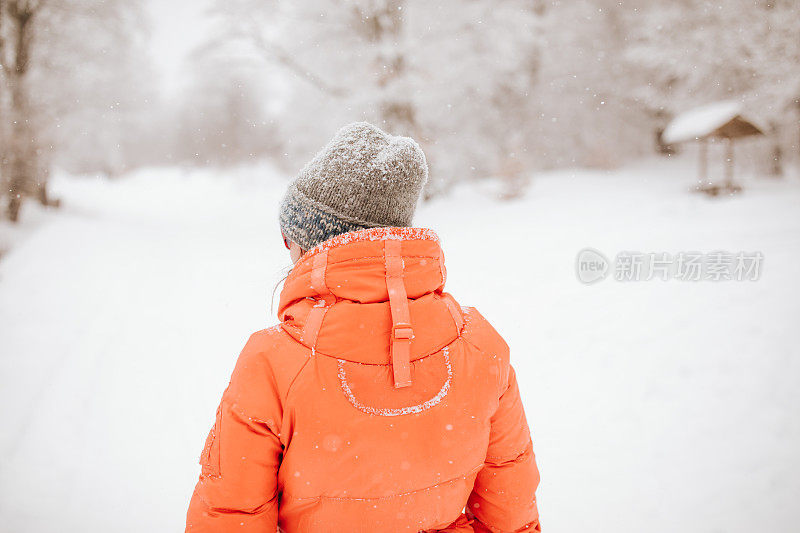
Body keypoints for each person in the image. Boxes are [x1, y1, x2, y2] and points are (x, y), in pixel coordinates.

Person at [185, 122, 541, 532]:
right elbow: (511, 509)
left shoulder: (271, 362)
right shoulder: (481, 346)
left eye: (289, 237)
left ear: (311, 244)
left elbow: (231, 515)